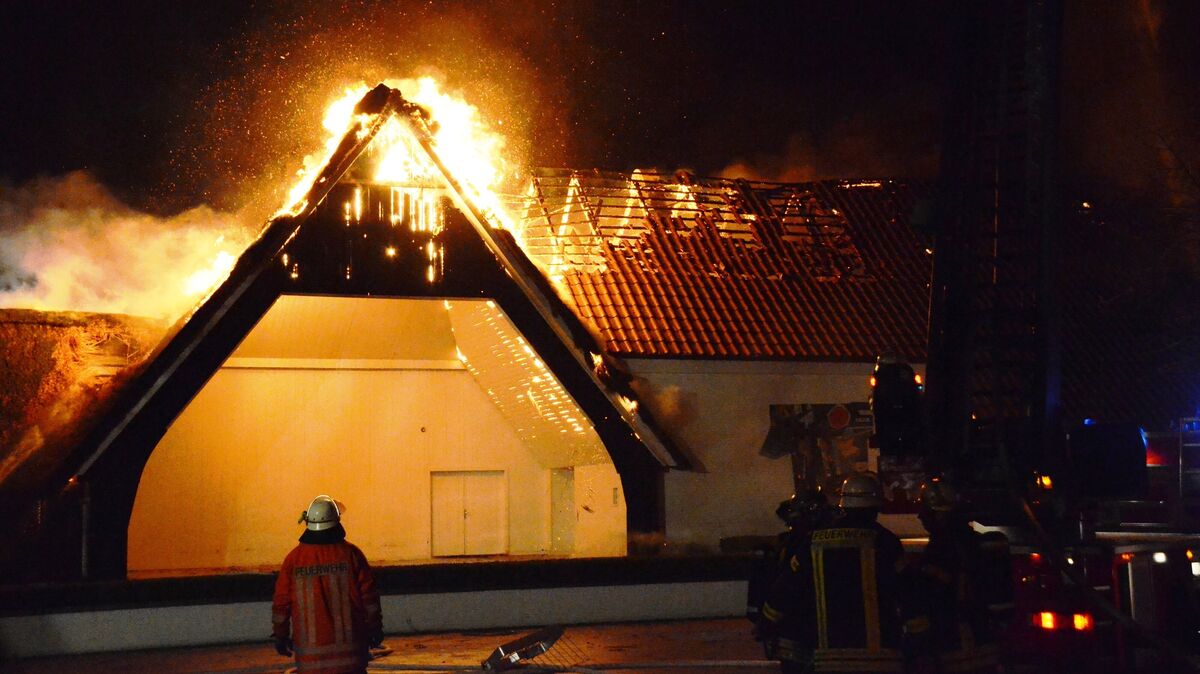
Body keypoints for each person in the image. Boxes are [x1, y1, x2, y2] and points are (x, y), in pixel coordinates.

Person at [760, 474, 905, 673]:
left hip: (829, 655)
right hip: (881, 656)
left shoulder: (814, 542)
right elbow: (908, 590)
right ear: (875, 508)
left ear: (843, 505)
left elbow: (786, 588)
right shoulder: (886, 542)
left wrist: (766, 622)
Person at [900, 477, 1010, 674]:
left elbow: (930, 599)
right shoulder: (975, 544)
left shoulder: (940, 550)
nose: (920, 517)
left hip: (952, 645)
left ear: (939, 514)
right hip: (984, 643)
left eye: (926, 512)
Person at [272, 495, 383, 674]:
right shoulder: (352, 555)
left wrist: (281, 636)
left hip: (310, 664)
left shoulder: (294, 560)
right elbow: (370, 599)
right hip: (352, 660)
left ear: (307, 522)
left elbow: (281, 604)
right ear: (336, 521)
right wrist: (375, 630)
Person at [749, 488, 833, 655]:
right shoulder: (797, 545)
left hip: (797, 629)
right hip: (821, 627)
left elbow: (783, 587)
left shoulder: (793, 545)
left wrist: (765, 623)